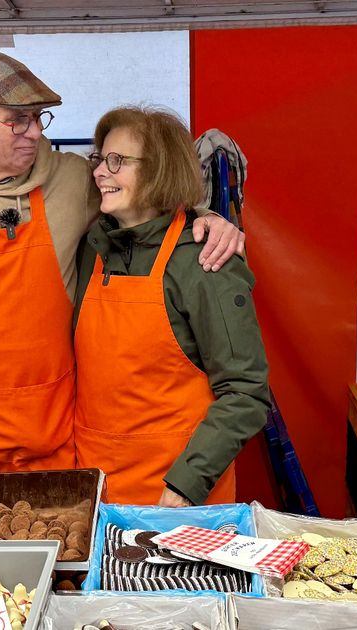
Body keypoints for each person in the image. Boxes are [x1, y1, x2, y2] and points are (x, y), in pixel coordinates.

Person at [0, 52, 245, 478]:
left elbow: (148, 193)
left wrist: (207, 216)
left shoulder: (72, 179)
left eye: (38, 118)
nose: (34, 132)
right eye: (17, 120)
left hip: (51, 433)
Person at [73, 106, 271, 507]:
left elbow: (246, 392)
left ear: (159, 170)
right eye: (99, 159)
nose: (98, 172)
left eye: (117, 161)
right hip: (95, 490)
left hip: (177, 496)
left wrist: (185, 484)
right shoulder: (89, 249)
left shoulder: (205, 261)